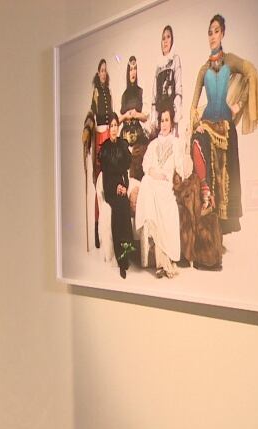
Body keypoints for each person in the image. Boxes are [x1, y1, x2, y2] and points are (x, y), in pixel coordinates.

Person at [189, 14, 258, 234]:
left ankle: (221, 231)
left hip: (226, 128)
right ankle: (207, 207)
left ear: (223, 33)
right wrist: (196, 123)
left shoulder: (230, 60)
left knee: (226, 177)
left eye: (216, 31)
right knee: (200, 150)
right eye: (210, 32)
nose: (212, 36)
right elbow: (193, 106)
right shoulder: (203, 69)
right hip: (208, 125)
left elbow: (252, 72)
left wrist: (239, 103)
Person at [135, 106, 187, 278]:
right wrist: (153, 173)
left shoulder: (176, 143)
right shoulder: (153, 145)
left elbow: (182, 168)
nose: (164, 124)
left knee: (169, 211)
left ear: (171, 123)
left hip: (165, 186)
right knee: (147, 183)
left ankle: (166, 261)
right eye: (162, 120)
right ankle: (160, 264)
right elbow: (145, 166)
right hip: (153, 182)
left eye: (167, 120)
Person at [98, 113, 133, 278]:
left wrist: (125, 186)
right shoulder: (104, 149)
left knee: (125, 206)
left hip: (121, 187)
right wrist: (116, 188)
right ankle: (121, 260)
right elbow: (105, 177)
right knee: (119, 208)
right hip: (111, 188)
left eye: (115, 126)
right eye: (111, 126)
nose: (113, 129)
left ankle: (127, 252)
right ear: (108, 128)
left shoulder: (122, 146)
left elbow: (125, 173)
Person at [90, 58, 113, 248]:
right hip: (99, 137)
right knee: (99, 182)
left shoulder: (109, 92)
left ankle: (108, 229)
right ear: (98, 73)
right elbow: (91, 116)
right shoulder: (96, 92)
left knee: (109, 181)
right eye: (101, 71)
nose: (104, 73)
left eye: (106, 70)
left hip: (108, 135)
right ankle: (97, 228)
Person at [119, 55, 149, 180]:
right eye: (131, 69)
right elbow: (117, 119)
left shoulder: (141, 92)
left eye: (135, 69)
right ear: (127, 72)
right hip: (125, 139)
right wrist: (126, 116)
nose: (133, 72)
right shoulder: (124, 95)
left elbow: (146, 115)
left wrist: (136, 114)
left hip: (138, 139)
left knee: (137, 168)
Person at [151, 25, 183, 137]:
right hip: (160, 112)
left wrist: (177, 114)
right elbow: (155, 94)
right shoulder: (158, 65)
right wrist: (154, 117)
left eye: (168, 37)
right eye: (163, 38)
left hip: (171, 111)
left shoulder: (175, 59)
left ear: (172, 40)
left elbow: (178, 87)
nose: (165, 41)